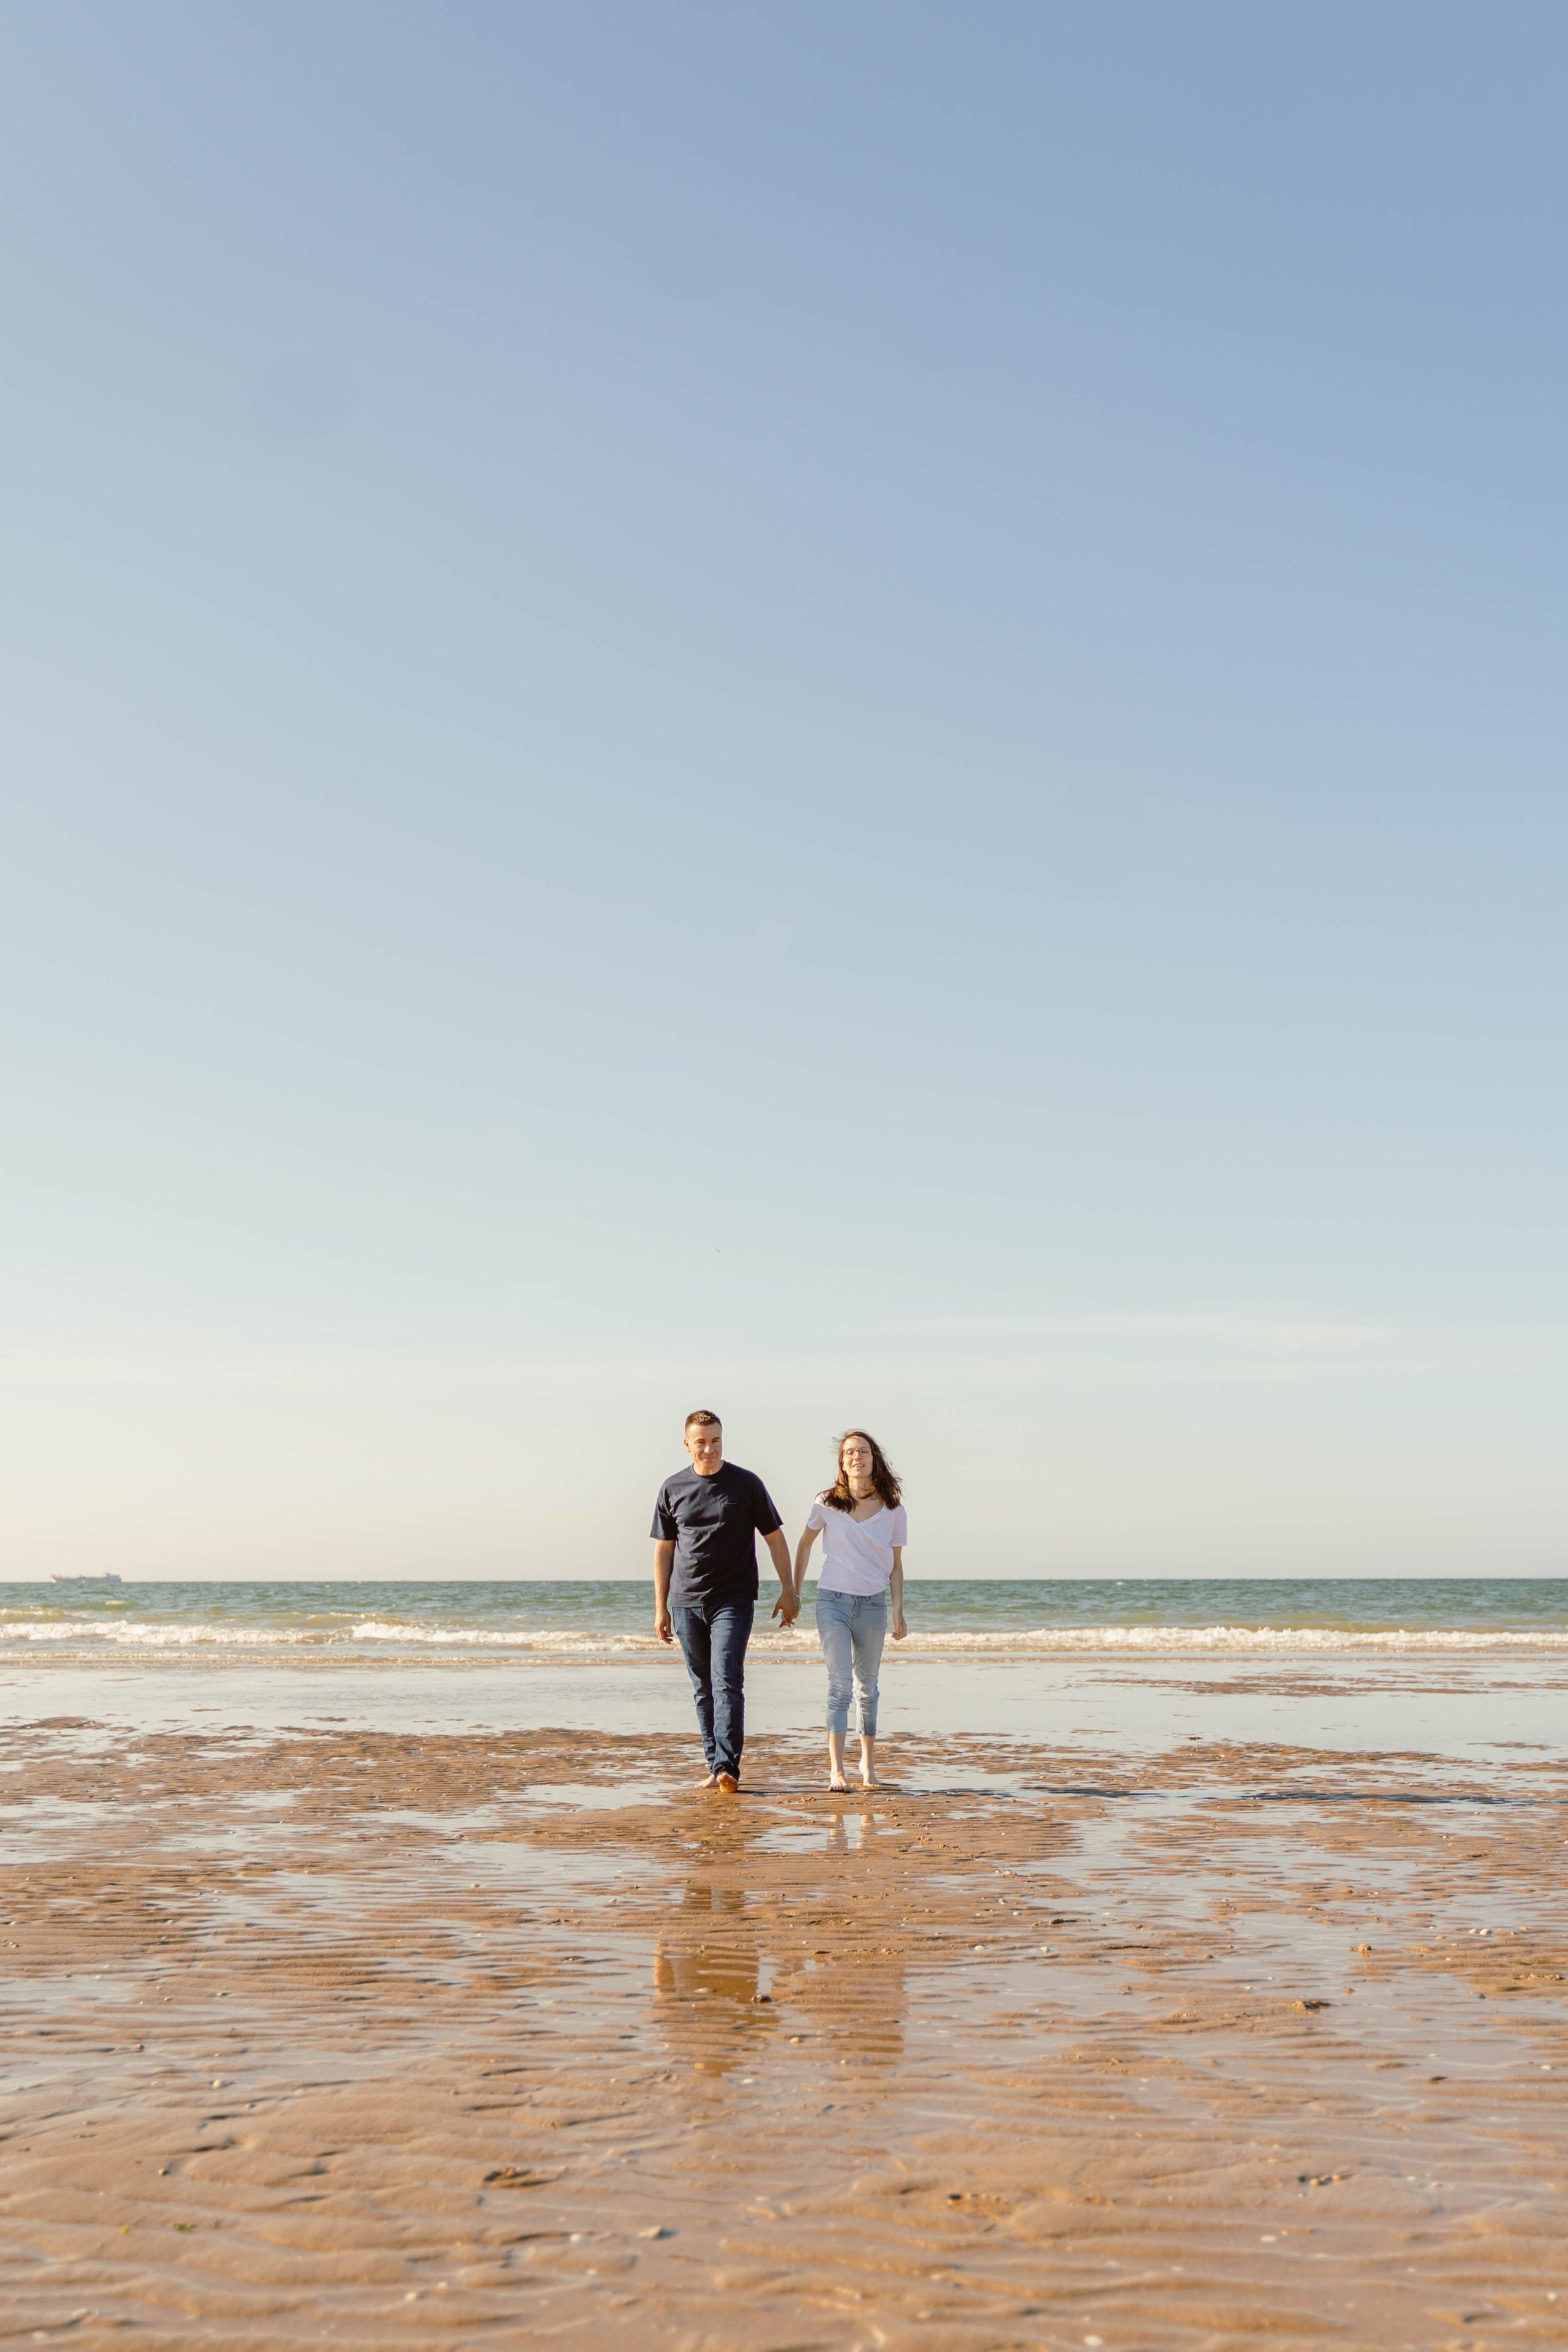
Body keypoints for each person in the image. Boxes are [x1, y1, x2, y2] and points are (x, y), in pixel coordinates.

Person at [651, 1410, 796, 1792]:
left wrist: (789, 1589)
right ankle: (715, 1765)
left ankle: (728, 1767)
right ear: (687, 1444)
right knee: (702, 1686)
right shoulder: (672, 1488)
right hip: (685, 1602)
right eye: (701, 1441)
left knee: (727, 1679)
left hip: (733, 1599)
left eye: (716, 1440)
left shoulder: (746, 1484)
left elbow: (775, 1538)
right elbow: (664, 1551)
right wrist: (660, 1607)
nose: (709, 1448)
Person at [791, 1430, 907, 1791]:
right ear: (842, 1463)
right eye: (849, 1453)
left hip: (873, 1605)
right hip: (833, 1602)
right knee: (839, 1686)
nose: (857, 1457)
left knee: (868, 1689)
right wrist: (793, 1593)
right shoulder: (826, 1502)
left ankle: (868, 1767)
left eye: (864, 1451)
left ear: (875, 1459)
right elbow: (805, 1545)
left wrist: (899, 1610)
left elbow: (897, 1565)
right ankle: (836, 1771)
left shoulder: (893, 1508)